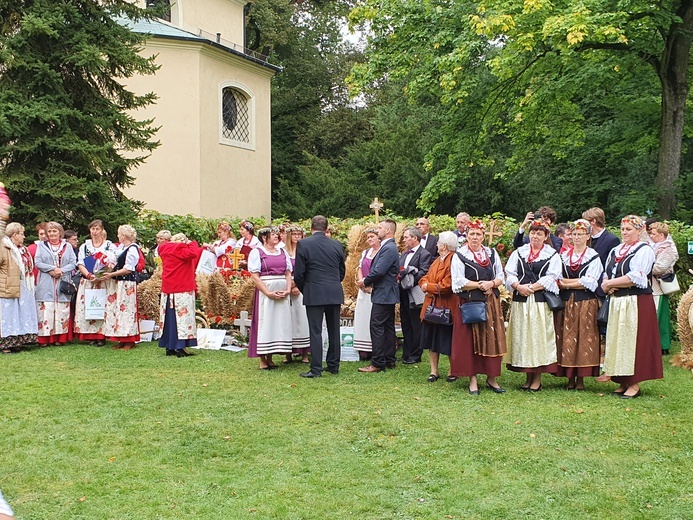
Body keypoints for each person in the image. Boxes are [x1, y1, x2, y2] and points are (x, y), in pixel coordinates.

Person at [600, 215, 663, 398]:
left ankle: (634, 383)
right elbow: (607, 272)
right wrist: (608, 283)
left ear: (639, 230)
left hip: (636, 301)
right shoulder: (617, 250)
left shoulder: (645, 250)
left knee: (634, 341)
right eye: (623, 229)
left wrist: (610, 283)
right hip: (619, 301)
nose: (625, 232)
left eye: (629, 229)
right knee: (618, 340)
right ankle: (623, 380)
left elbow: (636, 277)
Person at [505, 219, 562, 391]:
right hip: (521, 301)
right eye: (533, 233)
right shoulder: (519, 252)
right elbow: (510, 272)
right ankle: (528, 375)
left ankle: (536, 378)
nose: (535, 236)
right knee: (523, 337)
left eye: (539, 233)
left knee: (537, 338)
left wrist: (531, 287)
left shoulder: (552, 254)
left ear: (546, 236)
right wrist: (517, 286)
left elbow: (552, 276)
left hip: (539, 302)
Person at [450, 222, 508, 394]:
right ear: (466, 236)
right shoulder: (460, 255)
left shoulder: (491, 253)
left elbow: (500, 276)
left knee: (492, 339)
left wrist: (492, 283)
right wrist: (479, 285)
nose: (475, 237)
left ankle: (492, 378)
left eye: (478, 234)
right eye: (472, 234)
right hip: (470, 304)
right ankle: (472, 379)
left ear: (483, 236)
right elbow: (457, 282)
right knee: (470, 341)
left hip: (491, 303)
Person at [294, 216, 346, 378]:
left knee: (315, 331)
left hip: (314, 291)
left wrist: (306, 289)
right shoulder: (337, 244)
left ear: (311, 228)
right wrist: (333, 283)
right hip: (334, 290)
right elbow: (341, 271)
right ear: (326, 228)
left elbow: (299, 274)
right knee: (334, 330)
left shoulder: (303, 244)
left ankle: (316, 368)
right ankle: (333, 365)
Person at [555, 219, 603, 390]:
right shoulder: (563, 256)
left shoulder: (593, 256)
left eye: (580, 234)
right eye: (574, 234)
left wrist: (567, 283)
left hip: (586, 302)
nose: (576, 237)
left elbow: (590, 282)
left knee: (584, 337)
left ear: (588, 236)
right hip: (565, 302)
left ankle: (581, 378)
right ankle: (569, 377)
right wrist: (575, 282)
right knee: (566, 337)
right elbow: (556, 278)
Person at [247, 226, 293, 370]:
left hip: (282, 290)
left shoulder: (282, 251)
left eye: (276, 234)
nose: (276, 236)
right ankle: (262, 359)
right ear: (264, 237)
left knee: (277, 322)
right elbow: (255, 276)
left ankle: (271, 357)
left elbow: (287, 273)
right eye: (272, 234)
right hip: (266, 291)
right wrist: (267, 293)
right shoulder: (257, 252)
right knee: (265, 322)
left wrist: (288, 289)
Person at [357, 219, 399, 373]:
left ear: (388, 230)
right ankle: (389, 359)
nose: (377, 229)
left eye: (380, 227)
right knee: (387, 326)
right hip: (386, 292)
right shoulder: (388, 247)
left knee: (377, 326)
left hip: (384, 293)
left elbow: (379, 270)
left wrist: (365, 281)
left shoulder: (388, 248)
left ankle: (377, 362)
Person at [419, 231, 457, 383]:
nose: (436, 244)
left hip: (446, 308)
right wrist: (424, 284)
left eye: (439, 242)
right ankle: (434, 371)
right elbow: (425, 277)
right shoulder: (437, 260)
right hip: (431, 307)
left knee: (447, 340)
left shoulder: (453, 260)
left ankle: (452, 370)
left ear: (445, 246)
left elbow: (448, 285)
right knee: (431, 340)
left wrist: (428, 287)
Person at [74, 220, 117, 347]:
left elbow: (113, 262)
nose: (95, 231)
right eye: (92, 229)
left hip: (104, 280)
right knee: (89, 306)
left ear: (102, 230)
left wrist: (101, 275)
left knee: (102, 307)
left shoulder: (109, 246)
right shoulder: (85, 246)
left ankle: (101, 335)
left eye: (97, 229)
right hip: (89, 280)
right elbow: (80, 263)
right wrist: (89, 275)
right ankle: (90, 335)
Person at [157, 233, 201, 357]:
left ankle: (169, 345)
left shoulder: (163, 248)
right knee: (182, 320)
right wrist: (191, 242)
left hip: (168, 288)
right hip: (182, 287)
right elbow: (193, 253)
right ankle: (180, 346)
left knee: (169, 319)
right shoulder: (181, 249)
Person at [35, 221, 77, 346]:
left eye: (54, 231)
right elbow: (37, 262)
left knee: (61, 310)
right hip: (46, 282)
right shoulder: (41, 246)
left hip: (62, 281)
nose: (52, 233)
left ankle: (60, 338)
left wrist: (61, 270)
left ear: (60, 232)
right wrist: (51, 269)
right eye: (50, 231)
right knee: (46, 310)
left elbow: (73, 262)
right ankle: (45, 339)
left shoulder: (67, 246)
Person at [100, 225, 141, 349]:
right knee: (117, 309)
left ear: (124, 236)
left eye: (119, 234)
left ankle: (129, 339)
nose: (118, 236)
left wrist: (112, 274)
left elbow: (128, 268)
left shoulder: (133, 249)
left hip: (126, 283)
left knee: (127, 310)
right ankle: (121, 338)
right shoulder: (122, 247)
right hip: (117, 282)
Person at [0, 223, 38, 353]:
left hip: (23, 285)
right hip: (7, 286)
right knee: (9, 315)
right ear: (14, 235)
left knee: (20, 314)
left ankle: (17, 341)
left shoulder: (23, 249)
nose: (24, 236)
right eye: (22, 234)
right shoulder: (3, 247)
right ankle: (5, 344)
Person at [398, 227, 431, 364]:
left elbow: (424, 272)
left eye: (406, 237)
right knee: (405, 323)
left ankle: (416, 354)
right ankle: (406, 352)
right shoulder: (404, 254)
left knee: (416, 324)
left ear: (415, 238)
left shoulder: (424, 254)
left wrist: (408, 279)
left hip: (415, 293)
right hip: (403, 292)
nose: (404, 240)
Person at [648, 221, 679, 355]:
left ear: (661, 235)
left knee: (659, 317)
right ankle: (656, 344)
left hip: (659, 288)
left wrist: (643, 267)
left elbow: (659, 267)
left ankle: (663, 345)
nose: (651, 236)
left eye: (653, 234)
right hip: (652, 287)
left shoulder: (667, 248)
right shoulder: (654, 246)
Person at [283, 224, 310, 364]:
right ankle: (288, 353)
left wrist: (299, 286)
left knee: (302, 319)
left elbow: (309, 269)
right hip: (288, 288)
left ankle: (305, 353)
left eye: (299, 234)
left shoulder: (305, 249)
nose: (297, 237)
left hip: (301, 289)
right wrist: (290, 284)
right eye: (294, 234)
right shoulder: (284, 251)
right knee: (288, 320)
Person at [353, 227, 380, 359]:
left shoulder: (382, 252)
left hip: (375, 290)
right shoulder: (365, 252)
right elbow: (359, 268)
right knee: (362, 318)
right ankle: (363, 350)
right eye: (368, 237)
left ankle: (376, 348)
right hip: (364, 290)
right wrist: (361, 282)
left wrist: (371, 286)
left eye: (372, 237)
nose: (369, 239)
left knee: (374, 319)